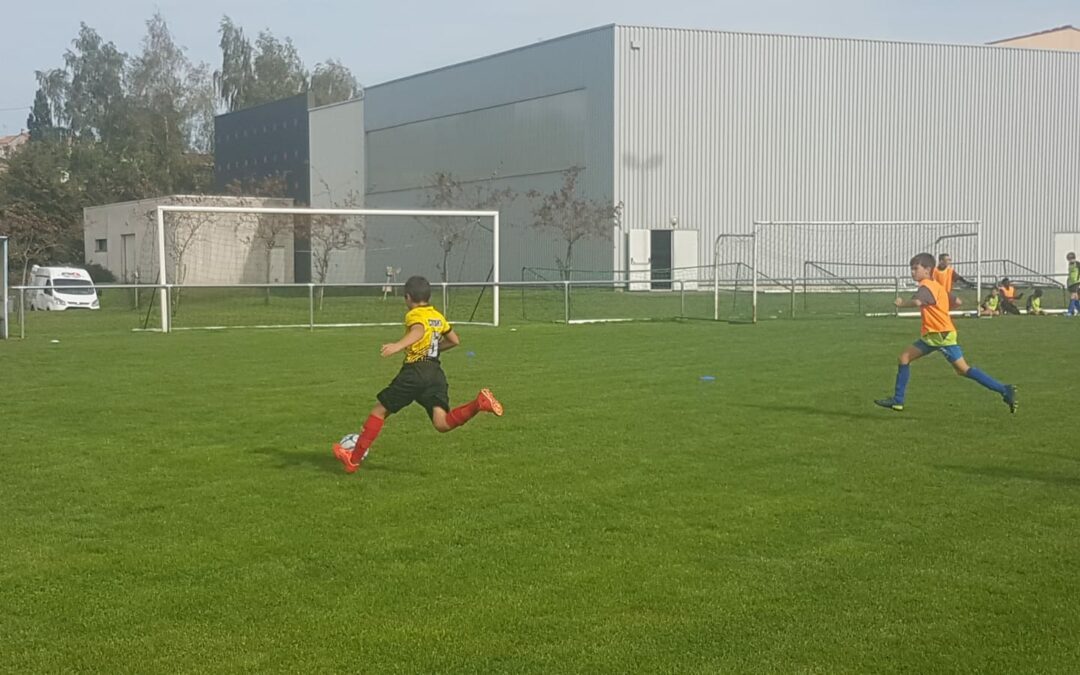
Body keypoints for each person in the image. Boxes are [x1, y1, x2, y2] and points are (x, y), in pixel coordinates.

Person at [333, 275, 503, 473]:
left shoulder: (414, 315)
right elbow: (454, 340)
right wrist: (434, 350)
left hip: (415, 372)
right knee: (442, 423)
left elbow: (418, 331)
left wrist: (398, 346)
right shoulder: (437, 316)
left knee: (379, 411)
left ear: (407, 297)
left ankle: (353, 460)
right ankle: (478, 404)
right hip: (435, 372)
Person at [875, 253, 1017, 413]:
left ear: (928, 270)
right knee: (908, 358)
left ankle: (1005, 390)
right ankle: (898, 401)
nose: (912, 272)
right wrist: (941, 310)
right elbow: (957, 301)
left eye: (916, 268)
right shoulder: (937, 287)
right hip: (938, 334)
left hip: (938, 335)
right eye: (911, 269)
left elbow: (917, 301)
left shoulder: (926, 286)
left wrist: (902, 304)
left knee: (957, 368)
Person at [1068, 252, 1080, 317]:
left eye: (1070, 259)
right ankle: (1079, 310)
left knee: (1073, 296)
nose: (1069, 260)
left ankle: (1070, 312)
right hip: (1071, 283)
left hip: (1076, 282)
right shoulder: (1070, 264)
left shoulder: (1077, 264)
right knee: (1076, 297)